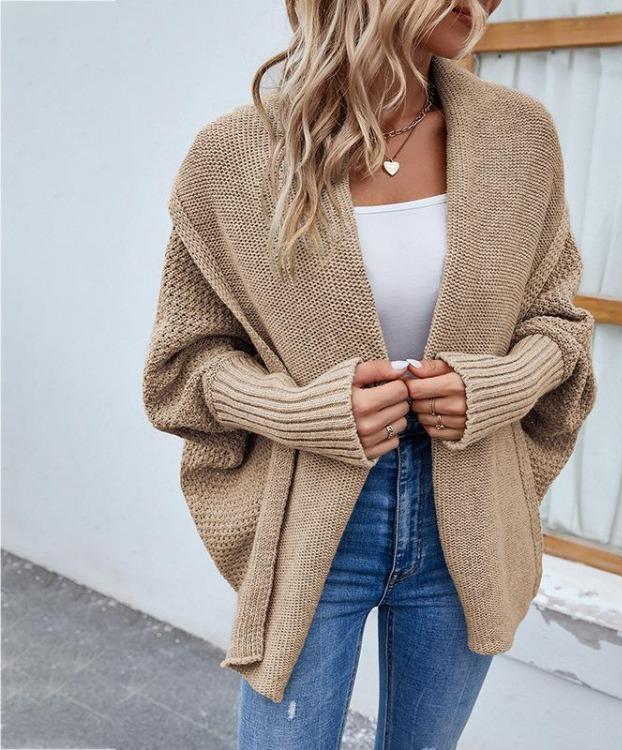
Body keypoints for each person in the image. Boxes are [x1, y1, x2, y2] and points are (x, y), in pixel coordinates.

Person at [141, 0, 597, 747]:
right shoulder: (233, 157)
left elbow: (559, 325)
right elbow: (184, 364)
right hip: (313, 519)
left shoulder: (520, 137)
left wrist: (495, 386)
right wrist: (303, 410)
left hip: (469, 515)